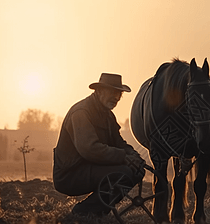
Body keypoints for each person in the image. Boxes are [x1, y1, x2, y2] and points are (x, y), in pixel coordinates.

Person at [53, 73, 145, 216]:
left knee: (136, 171)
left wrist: (134, 155)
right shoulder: (81, 112)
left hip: (90, 167)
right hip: (70, 173)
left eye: (119, 94)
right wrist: (123, 157)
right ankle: (82, 212)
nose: (116, 98)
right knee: (123, 173)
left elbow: (119, 142)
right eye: (112, 92)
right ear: (100, 91)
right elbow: (89, 149)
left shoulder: (107, 115)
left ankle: (98, 210)